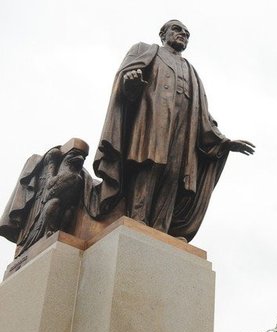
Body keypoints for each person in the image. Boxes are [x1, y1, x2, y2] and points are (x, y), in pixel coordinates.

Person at [94, 19, 254, 241]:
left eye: (187, 33)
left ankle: (161, 230)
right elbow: (125, 85)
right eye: (177, 29)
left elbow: (203, 115)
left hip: (183, 135)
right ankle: (137, 221)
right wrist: (130, 81)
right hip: (150, 125)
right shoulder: (147, 51)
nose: (183, 35)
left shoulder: (191, 71)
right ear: (163, 34)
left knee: (173, 176)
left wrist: (224, 142)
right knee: (148, 168)